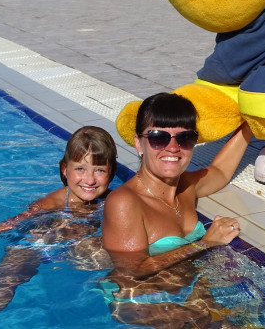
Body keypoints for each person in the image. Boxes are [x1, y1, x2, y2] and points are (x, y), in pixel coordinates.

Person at [0, 126, 118, 316]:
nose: (90, 180)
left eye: (100, 170)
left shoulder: (113, 200)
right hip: (31, 248)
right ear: (65, 169)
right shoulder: (49, 204)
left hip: (72, 248)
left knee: (113, 259)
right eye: (80, 169)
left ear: (112, 172)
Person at [101, 93, 252, 324]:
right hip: (137, 301)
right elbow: (133, 270)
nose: (173, 148)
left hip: (181, 292)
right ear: (139, 143)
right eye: (158, 138)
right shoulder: (125, 202)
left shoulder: (186, 186)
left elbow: (220, 173)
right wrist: (205, 243)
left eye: (185, 138)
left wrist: (250, 126)